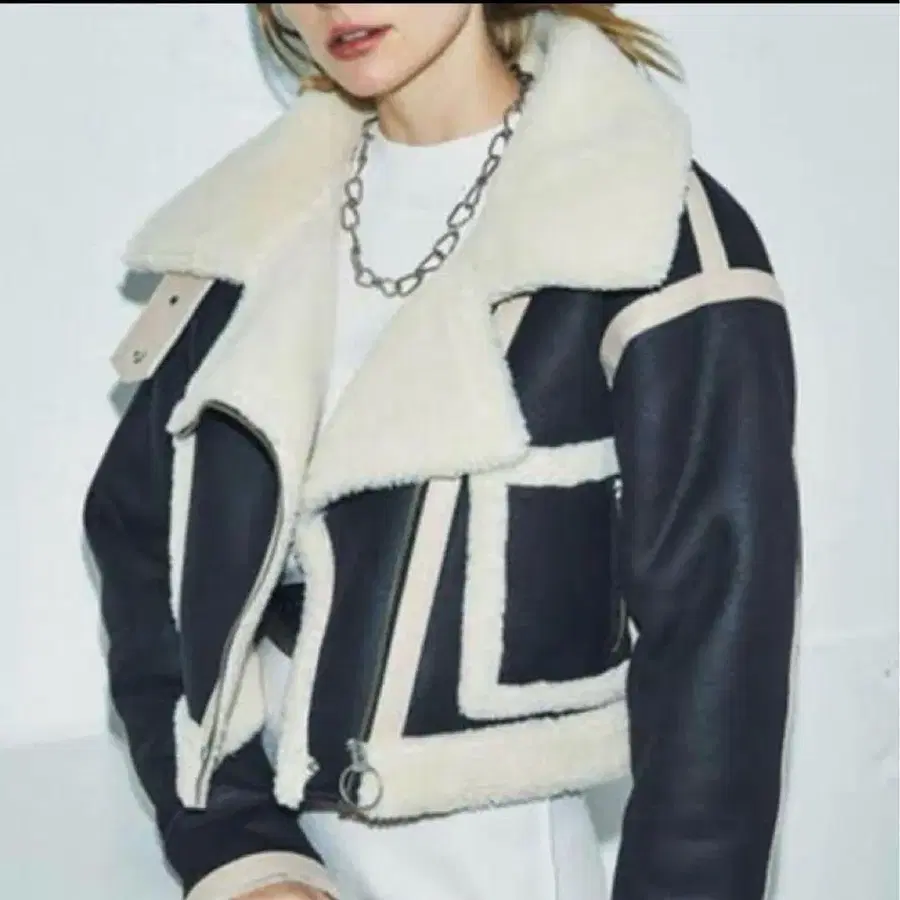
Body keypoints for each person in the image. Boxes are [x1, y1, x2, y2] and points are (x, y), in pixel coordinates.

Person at [83, 4, 801, 900]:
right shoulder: (255, 227)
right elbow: (140, 537)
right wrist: (238, 848)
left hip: (496, 861)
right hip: (279, 861)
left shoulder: (646, 221)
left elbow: (719, 633)